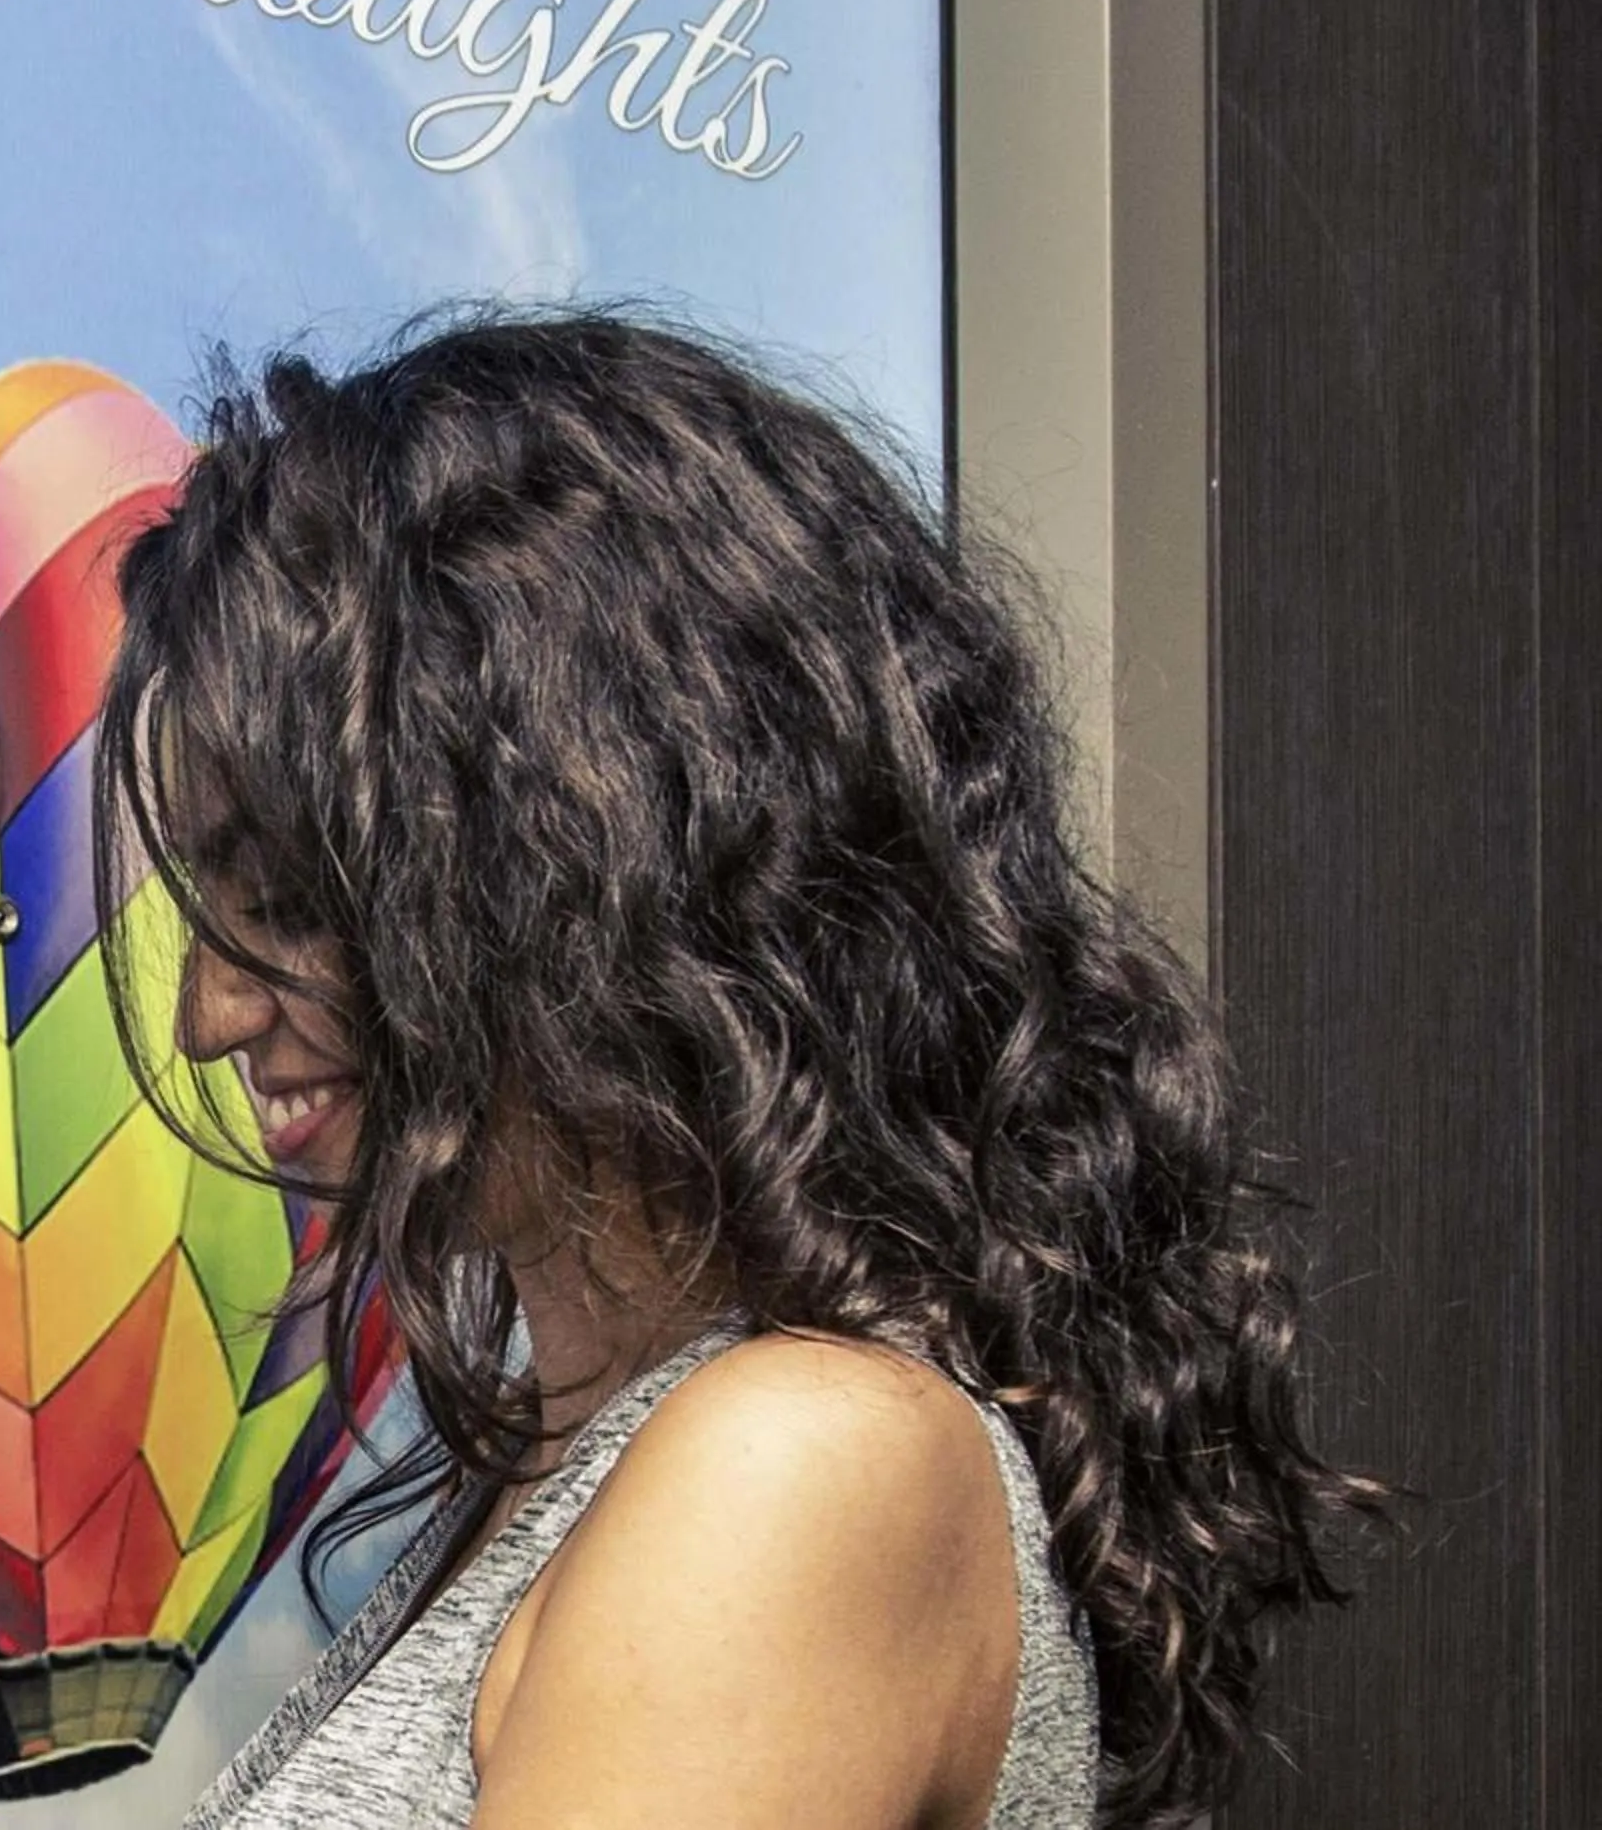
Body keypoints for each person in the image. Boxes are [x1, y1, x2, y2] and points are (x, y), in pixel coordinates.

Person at [89, 308, 1383, 1830]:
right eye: (208, 915)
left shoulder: (792, 1465)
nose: (208, 1017)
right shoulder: (582, 1455)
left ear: (575, 860)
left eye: (291, 901)